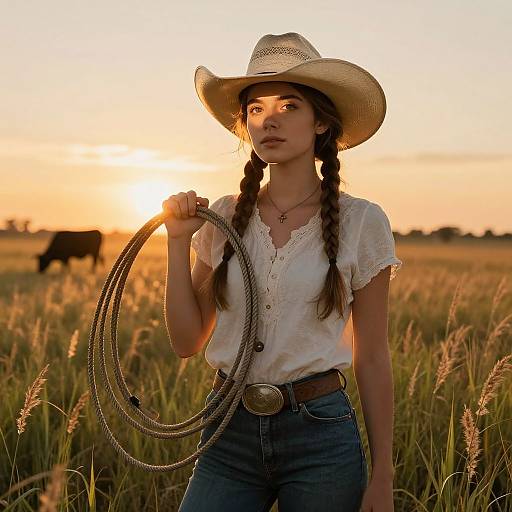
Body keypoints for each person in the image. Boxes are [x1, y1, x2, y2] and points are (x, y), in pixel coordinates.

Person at [162, 32, 402, 512]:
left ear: (320, 123)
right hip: (227, 428)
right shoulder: (224, 217)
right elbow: (186, 342)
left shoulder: (361, 222)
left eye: (289, 105)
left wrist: (383, 475)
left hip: (320, 434)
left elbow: (372, 356)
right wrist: (176, 241)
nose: (269, 119)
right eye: (256, 109)